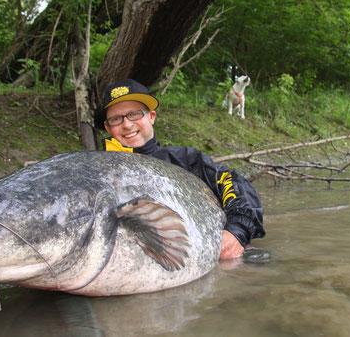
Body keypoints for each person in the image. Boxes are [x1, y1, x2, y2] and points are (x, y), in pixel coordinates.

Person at [96, 78, 265, 259]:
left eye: (135, 114)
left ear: (151, 117)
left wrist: (236, 232)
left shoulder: (185, 160)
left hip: (194, 253)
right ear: (107, 127)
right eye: (116, 119)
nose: (127, 124)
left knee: (259, 260)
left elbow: (233, 182)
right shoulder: (98, 171)